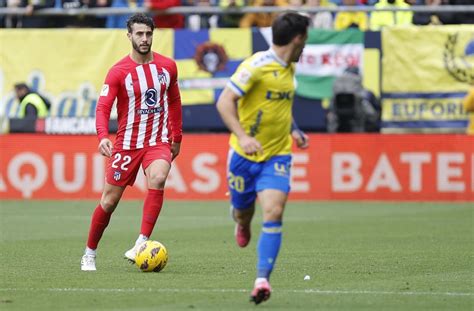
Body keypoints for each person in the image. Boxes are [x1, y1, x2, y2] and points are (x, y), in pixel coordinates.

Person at [216, 12, 310, 304]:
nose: (306, 45)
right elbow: (224, 102)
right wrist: (243, 137)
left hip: (277, 154)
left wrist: (293, 130)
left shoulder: (289, 68)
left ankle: (261, 280)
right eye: (305, 39)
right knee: (244, 213)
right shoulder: (255, 67)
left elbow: (280, 107)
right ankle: (242, 222)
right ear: (297, 39)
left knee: (274, 210)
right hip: (244, 156)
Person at [80, 13, 183, 271]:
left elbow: (174, 101)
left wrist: (176, 136)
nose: (144, 38)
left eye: (148, 33)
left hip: (157, 140)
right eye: (139, 34)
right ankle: (89, 253)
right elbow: (103, 107)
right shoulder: (118, 71)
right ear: (129, 36)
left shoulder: (167, 67)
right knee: (109, 201)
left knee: (158, 178)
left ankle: (141, 241)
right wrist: (103, 135)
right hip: (126, 143)